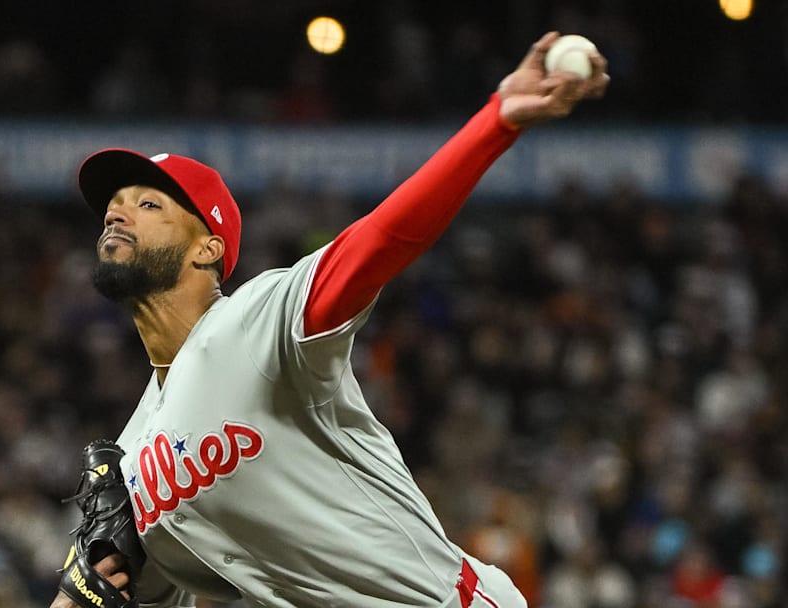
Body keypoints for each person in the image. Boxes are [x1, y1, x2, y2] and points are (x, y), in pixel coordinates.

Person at [52, 31, 609, 608]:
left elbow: (381, 239)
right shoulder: (135, 458)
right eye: (113, 206)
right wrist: (79, 588)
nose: (117, 212)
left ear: (208, 249)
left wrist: (497, 122)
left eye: (148, 205)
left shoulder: (255, 323)